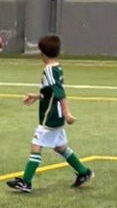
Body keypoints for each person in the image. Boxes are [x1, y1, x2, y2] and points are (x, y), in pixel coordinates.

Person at [6, 34, 93, 193]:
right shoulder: (57, 67)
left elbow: (60, 92)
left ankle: (26, 182)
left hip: (50, 116)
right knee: (60, 147)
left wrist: (67, 113)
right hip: (55, 115)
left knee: (36, 145)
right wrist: (37, 96)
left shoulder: (49, 70)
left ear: (42, 54)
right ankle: (83, 171)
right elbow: (51, 91)